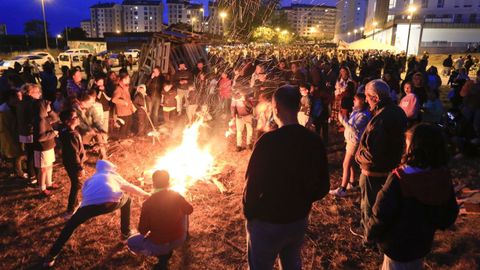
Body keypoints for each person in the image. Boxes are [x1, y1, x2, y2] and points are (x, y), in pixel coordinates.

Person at [243, 85, 330, 270]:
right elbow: (323, 186)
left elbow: (252, 185)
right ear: (298, 107)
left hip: (267, 222)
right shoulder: (314, 141)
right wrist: (302, 200)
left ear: (275, 109)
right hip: (298, 220)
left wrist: (250, 216)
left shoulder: (268, 142)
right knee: (291, 263)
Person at [366, 123, 458, 270]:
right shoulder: (441, 177)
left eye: (408, 144)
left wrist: (370, 235)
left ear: (414, 149)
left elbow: (381, 213)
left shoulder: (400, 179)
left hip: (395, 247)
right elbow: (450, 212)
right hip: (421, 244)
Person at [43, 160, 150, 268]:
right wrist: (147, 195)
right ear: (110, 168)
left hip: (89, 206)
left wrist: (87, 205)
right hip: (111, 202)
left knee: (70, 226)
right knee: (127, 200)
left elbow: (84, 192)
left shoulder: (91, 179)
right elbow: (131, 187)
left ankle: (51, 255)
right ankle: (125, 233)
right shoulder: (113, 175)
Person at [355, 79, 407, 242]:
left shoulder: (381, 119)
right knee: (384, 205)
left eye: (368, 97)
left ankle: (369, 239)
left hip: (374, 173)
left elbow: (373, 154)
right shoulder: (397, 111)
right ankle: (381, 233)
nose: (366, 101)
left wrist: (358, 156)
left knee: (371, 206)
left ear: (376, 98)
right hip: (390, 168)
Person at [127, 170, 193, 270]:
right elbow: (189, 210)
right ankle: (185, 235)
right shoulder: (176, 196)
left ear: (153, 184)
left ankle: (160, 255)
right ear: (168, 182)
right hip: (179, 239)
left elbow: (142, 230)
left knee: (131, 241)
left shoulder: (147, 204)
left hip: (159, 244)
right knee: (184, 210)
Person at [330, 93, 371, 197]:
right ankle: (352, 182)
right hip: (350, 140)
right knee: (350, 163)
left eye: (355, 100)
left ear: (362, 102)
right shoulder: (356, 111)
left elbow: (353, 128)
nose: (353, 101)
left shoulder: (364, 115)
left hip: (354, 142)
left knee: (346, 164)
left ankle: (342, 189)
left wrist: (342, 120)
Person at [59, 109, 86, 219]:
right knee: (76, 185)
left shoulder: (65, 131)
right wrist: (80, 167)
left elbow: (75, 148)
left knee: (76, 183)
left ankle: (75, 204)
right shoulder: (72, 135)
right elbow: (74, 152)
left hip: (68, 162)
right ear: (67, 121)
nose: (77, 119)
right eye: (75, 117)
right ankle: (70, 210)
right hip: (73, 164)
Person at [33, 97, 59, 197]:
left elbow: (56, 119)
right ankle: (42, 188)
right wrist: (54, 133)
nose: (50, 106)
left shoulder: (44, 117)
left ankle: (49, 183)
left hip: (48, 146)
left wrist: (51, 111)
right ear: (43, 107)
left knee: (49, 166)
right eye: (48, 105)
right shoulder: (40, 120)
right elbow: (40, 137)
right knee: (43, 169)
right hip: (42, 148)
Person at [112, 73, 135, 138]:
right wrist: (124, 102)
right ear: (123, 80)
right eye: (128, 78)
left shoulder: (125, 87)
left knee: (128, 125)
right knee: (124, 127)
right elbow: (114, 100)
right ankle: (121, 140)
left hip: (128, 111)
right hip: (122, 112)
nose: (129, 79)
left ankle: (125, 139)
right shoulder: (119, 89)